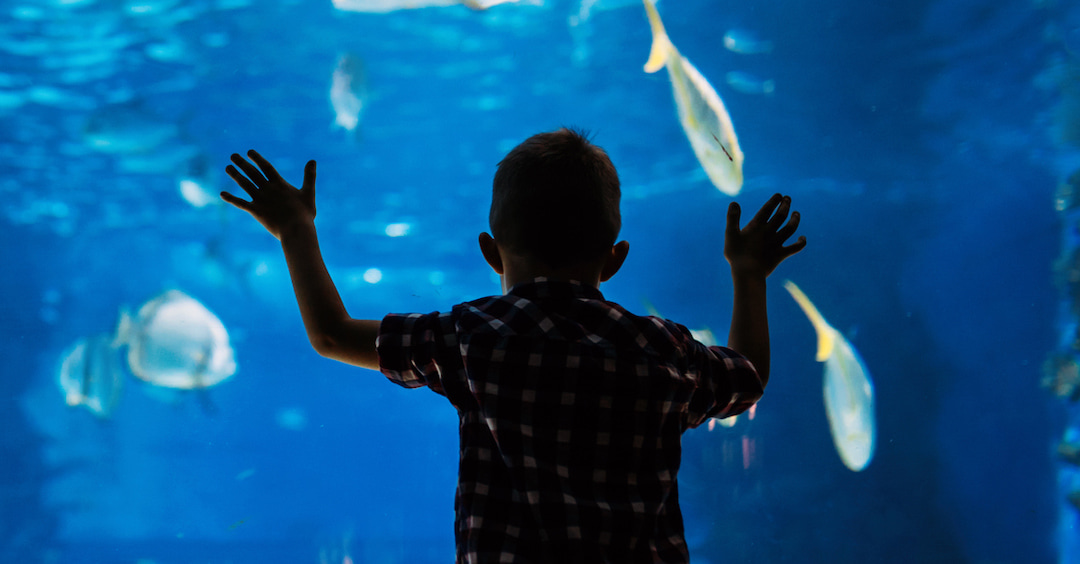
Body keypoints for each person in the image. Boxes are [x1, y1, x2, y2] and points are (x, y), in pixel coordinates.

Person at [219, 129, 805, 564]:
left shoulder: (474, 339)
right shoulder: (664, 351)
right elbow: (748, 376)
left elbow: (331, 333)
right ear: (616, 259)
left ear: (491, 252)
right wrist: (749, 274)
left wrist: (296, 228)